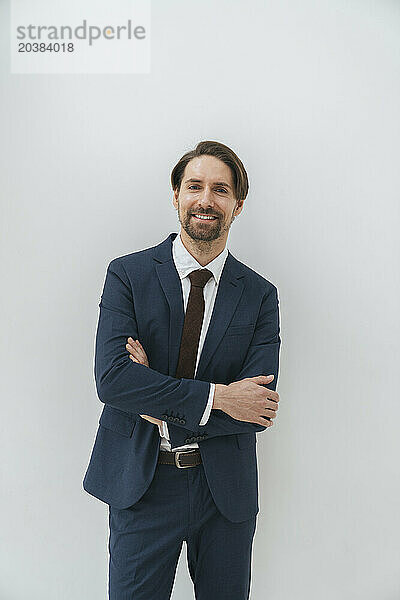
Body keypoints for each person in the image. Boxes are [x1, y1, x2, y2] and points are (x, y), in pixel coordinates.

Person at [83, 140, 281, 599]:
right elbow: (113, 380)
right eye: (194, 186)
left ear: (237, 205)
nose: (206, 199)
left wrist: (153, 395)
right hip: (142, 482)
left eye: (220, 190)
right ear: (176, 195)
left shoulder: (259, 296)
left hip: (224, 493)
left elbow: (257, 409)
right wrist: (217, 398)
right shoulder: (127, 275)